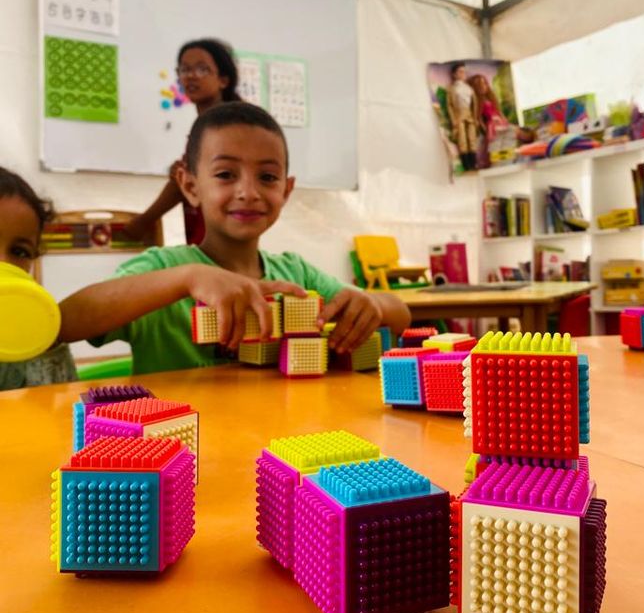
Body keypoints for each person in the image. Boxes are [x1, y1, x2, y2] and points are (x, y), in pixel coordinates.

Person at [58, 102, 411, 374]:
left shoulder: (297, 276)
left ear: (287, 190)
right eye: (226, 174)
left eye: (268, 177)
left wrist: (374, 306)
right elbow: (66, 321)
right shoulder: (165, 271)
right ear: (190, 185)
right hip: (185, 456)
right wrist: (188, 279)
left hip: (279, 449)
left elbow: (401, 317)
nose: (248, 192)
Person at [124, 38, 242, 245]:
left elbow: (186, 183)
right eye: (185, 70)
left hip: (222, 237)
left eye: (202, 69)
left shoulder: (227, 124)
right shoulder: (205, 124)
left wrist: (143, 222)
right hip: (204, 232)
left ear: (223, 79)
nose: (191, 77)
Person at [0, 167, 77, 391]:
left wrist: (46, 345)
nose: (4, 264)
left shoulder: (33, 335)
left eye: (20, 252)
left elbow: (60, 408)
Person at [445, 62, 478, 171]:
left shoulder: (469, 88)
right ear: (454, 74)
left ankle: (474, 164)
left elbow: (474, 103)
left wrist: (475, 116)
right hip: (459, 115)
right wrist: (453, 119)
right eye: (460, 71)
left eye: (464, 71)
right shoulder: (452, 88)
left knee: (472, 139)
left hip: (469, 115)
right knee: (462, 140)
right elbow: (449, 105)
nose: (463, 74)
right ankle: (467, 165)